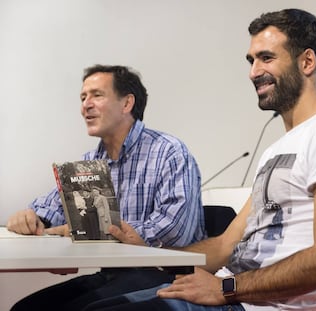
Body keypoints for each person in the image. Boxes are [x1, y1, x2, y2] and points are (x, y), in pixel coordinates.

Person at [86, 9, 316, 311]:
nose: (253, 72)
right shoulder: (277, 150)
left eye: (266, 58)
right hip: (234, 295)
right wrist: (149, 253)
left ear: (307, 62)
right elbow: (225, 245)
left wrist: (226, 288)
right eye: (251, 61)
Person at [7, 65, 206, 310]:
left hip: (164, 276)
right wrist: (31, 217)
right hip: (113, 274)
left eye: (96, 95)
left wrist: (97, 232)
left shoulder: (169, 151)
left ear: (127, 104)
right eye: (83, 97)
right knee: (25, 309)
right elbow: (53, 211)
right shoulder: (90, 162)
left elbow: (175, 231)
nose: (86, 105)